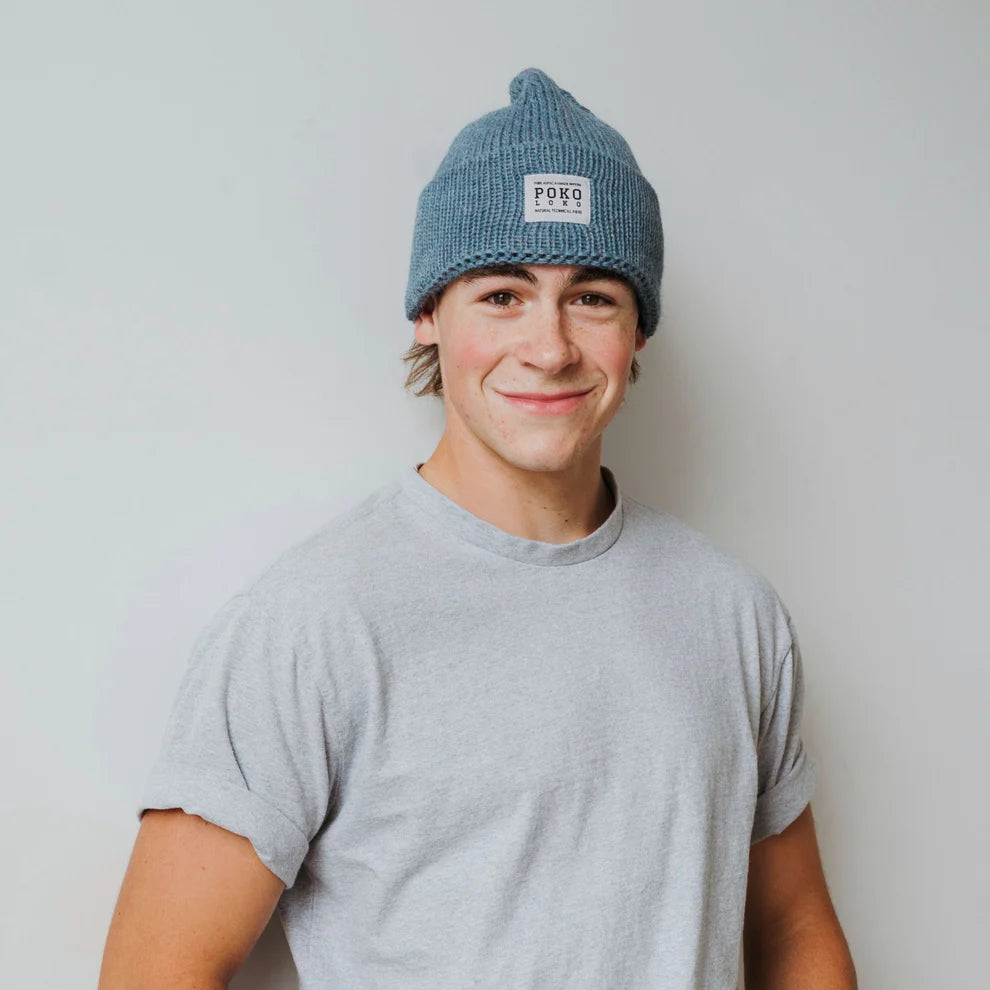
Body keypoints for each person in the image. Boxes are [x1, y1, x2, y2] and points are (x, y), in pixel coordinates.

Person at [99, 67, 856, 989]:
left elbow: (793, 929)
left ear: (639, 330)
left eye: (593, 296)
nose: (550, 347)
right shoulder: (311, 623)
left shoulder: (733, 612)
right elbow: (155, 971)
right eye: (502, 294)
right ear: (429, 315)